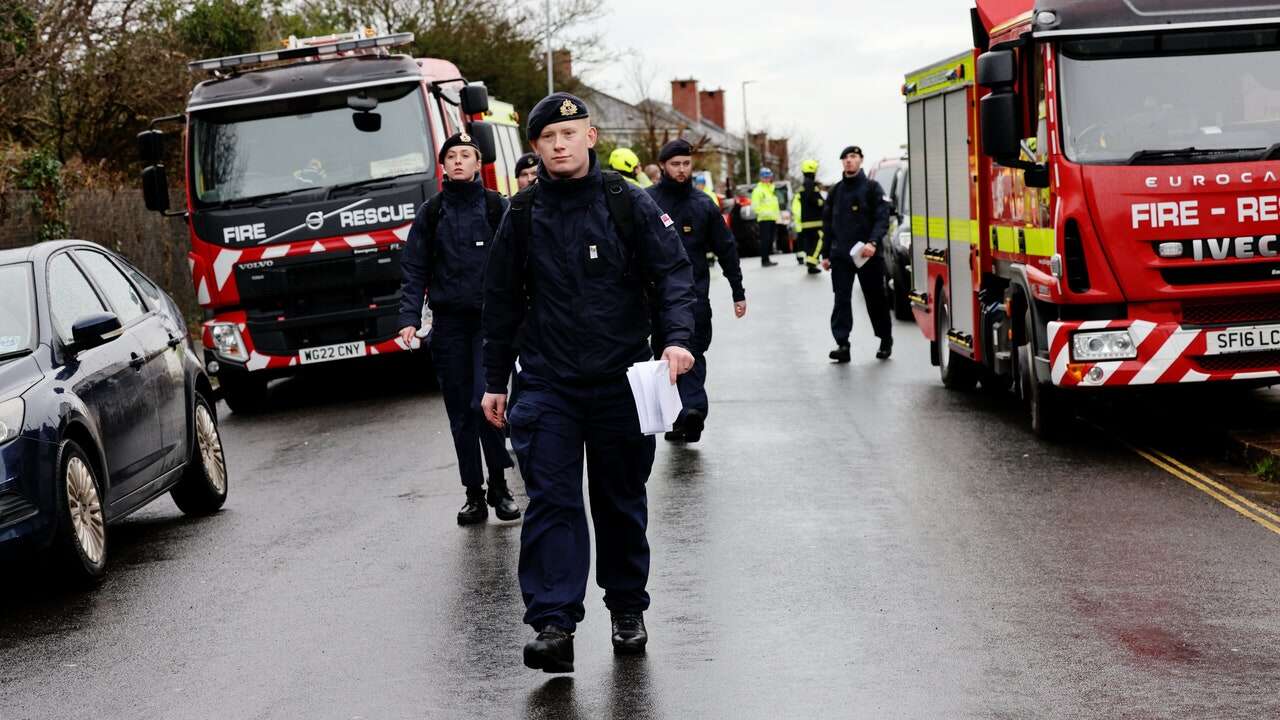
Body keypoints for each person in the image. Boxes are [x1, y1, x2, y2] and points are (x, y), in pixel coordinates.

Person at [481, 93, 697, 673]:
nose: (559, 145)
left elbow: (673, 274)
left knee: (619, 499)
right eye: (548, 138)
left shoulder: (628, 203)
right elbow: (499, 302)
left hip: (620, 379)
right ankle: (554, 623)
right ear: (535, 148)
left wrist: (677, 339)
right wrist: (493, 379)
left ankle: (627, 607)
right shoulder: (521, 214)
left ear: (590, 138)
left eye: (569, 134)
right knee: (551, 499)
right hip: (547, 382)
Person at [397, 132, 520, 524]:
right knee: (460, 414)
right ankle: (474, 493)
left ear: (477, 162)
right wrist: (408, 319)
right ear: (444, 165)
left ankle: (500, 486)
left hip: (489, 323)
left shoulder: (495, 207)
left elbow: (518, 262)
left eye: (466, 155)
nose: (458, 162)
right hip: (449, 325)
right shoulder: (432, 213)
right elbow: (414, 269)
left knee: (484, 403)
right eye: (452, 156)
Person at [646, 139, 746, 443]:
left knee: (693, 352)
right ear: (663, 165)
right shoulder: (647, 201)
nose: (681, 170)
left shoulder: (703, 205)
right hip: (654, 299)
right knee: (663, 358)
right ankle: (679, 419)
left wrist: (737, 291)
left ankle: (693, 411)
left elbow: (727, 249)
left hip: (694, 297)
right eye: (675, 164)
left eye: (686, 164)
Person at [821, 146, 892, 362]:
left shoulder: (872, 188)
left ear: (861, 160)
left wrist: (872, 242)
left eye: (853, 157)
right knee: (841, 299)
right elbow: (827, 225)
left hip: (868, 254)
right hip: (841, 255)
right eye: (845, 158)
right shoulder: (835, 192)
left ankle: (884, 339)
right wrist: (825, 254)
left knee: (875, 298)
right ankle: (842, 344)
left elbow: (882, 218)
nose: (849, 161)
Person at [792, 159, 825, 274]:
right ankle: (812, 262)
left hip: (806, 222)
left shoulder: (803, 186)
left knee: (810, 244)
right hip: (814, 221)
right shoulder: (810, 185)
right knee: (820, 241)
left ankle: (811, 264)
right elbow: (814, 200)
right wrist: (822, 202)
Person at [750, 167, 780, 267]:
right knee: (765, 240)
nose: (767, 179)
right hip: (764, 220)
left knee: (770, 240)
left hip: (772, 219)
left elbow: (774, 205)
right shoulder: (758, 190)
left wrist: (776, 216)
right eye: (765, 177)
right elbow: (755, 206)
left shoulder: (771, 189)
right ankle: (764, 260)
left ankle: (767, 259)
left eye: (768, 177)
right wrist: (765, 214)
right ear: (761, 178)